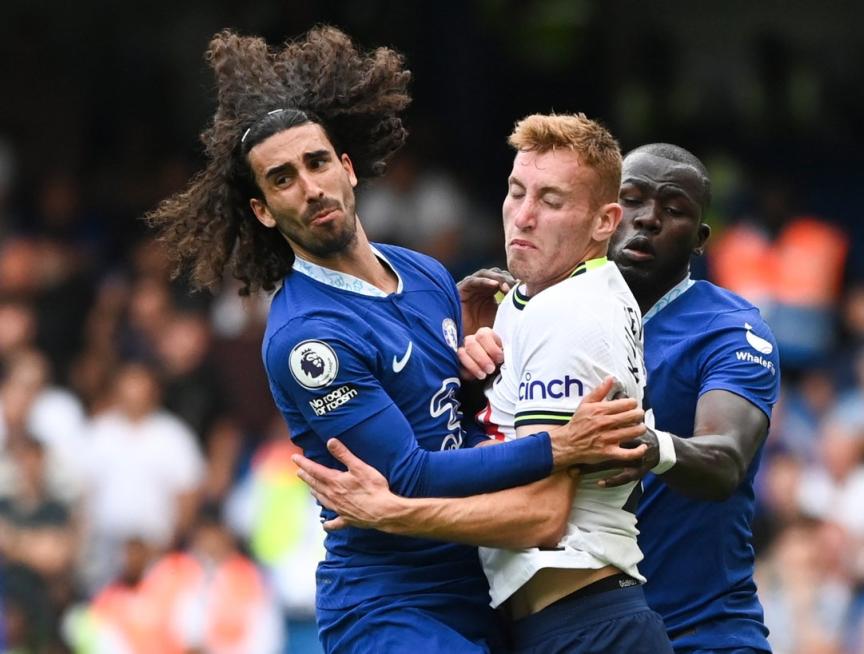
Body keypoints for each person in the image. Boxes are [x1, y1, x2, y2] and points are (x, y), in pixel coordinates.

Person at [145, 26, 647, 653]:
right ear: (264, 211)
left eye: (317, 162)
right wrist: (560, 445)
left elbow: (447, 419)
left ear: (348, 168)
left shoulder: (427, 274)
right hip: (388, 601)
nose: (309, 186)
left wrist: (478, 376)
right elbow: (405, 476)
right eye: (281, 179)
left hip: (476, 580)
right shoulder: (309, 339)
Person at [297, 143, 781, 653]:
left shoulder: (728, 330)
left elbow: (725, 462)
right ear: (606, 214)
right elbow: (485, 453)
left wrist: (651, 446)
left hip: (703, 630)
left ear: (700, 238)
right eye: (633, 200)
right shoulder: (529, 314)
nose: (648, 221)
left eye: (674, 210)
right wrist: (461, 367)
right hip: (564, 622)